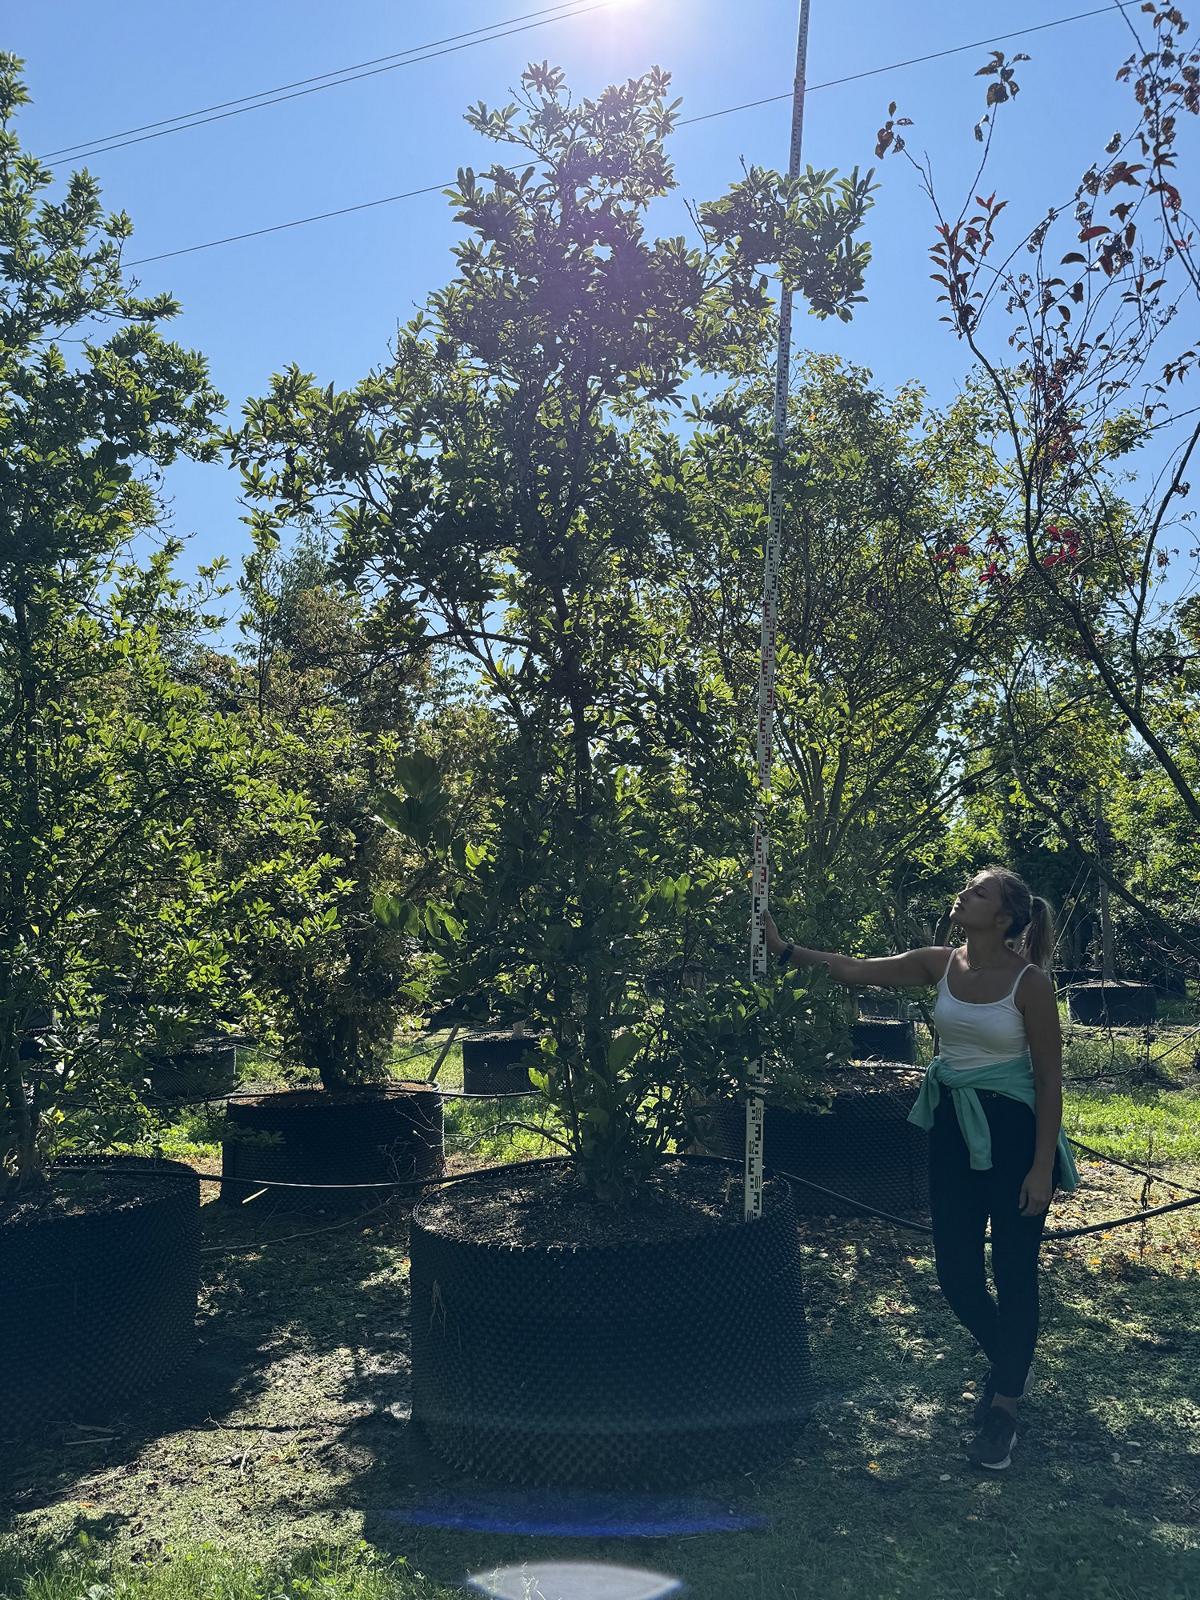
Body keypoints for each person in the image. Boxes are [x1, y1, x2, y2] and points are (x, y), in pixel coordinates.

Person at [764, 865, 1080, 1472]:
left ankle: (1005, 1408)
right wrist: (784, 951)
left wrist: (1042, 1167)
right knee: (957, 1274)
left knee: (1014, 1271)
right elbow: (856, 967)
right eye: (966, 888)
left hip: (1013, 1134)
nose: (963, 895)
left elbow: (1047, 1079)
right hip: (953, 1131)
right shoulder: (940, 963)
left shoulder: (1029, 984)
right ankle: (1011, 1360)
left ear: (1006, 917)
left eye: (978, 891)